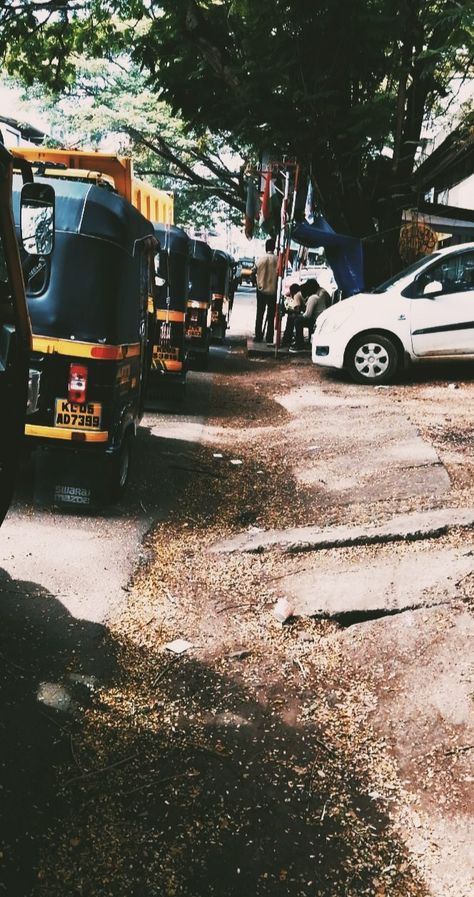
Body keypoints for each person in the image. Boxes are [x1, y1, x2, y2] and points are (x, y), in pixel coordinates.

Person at [289, 278, 331, 352]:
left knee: (297, 321)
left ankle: (299, 344)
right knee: (298, 319)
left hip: (317, 319)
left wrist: (298, 316)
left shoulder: (313, 298)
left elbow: (307, 315)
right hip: (321, 317)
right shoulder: (316, 295)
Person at [254, 238, 278, 344]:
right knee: (271, 315)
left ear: (266, 247)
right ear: (274, 247)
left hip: (261, 290)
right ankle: (269, 337)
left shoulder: (260, 259)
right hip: (273, 291)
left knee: (260, 313)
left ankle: (258, 336)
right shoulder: (278, 259)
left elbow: (252, 271)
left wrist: (256, 282)